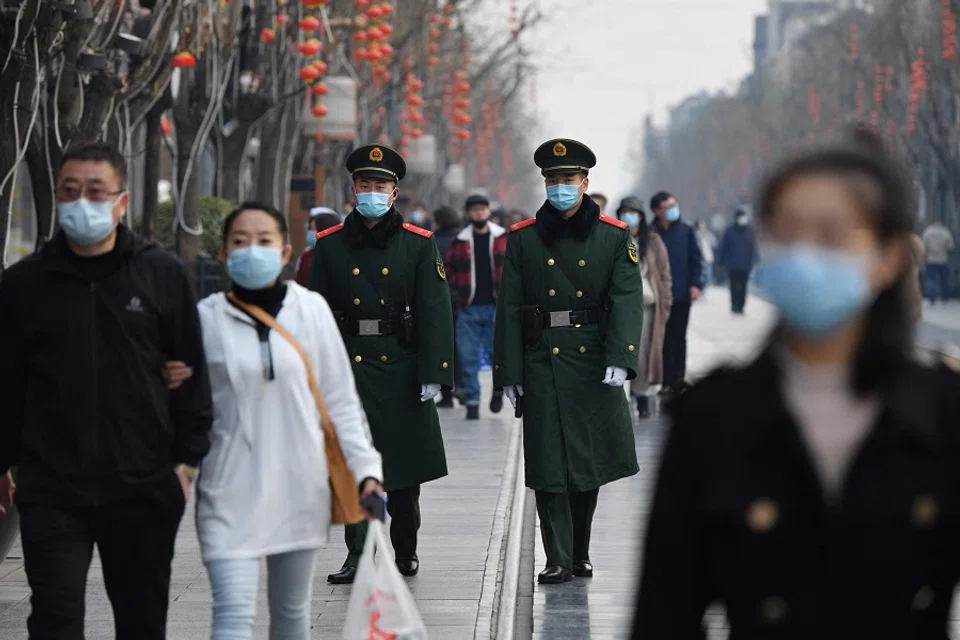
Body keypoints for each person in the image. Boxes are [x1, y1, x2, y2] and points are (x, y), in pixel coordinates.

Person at [631, 135, 960, 637]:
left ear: (891, 255)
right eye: (786, 231)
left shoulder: (943, 410)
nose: (805, 254)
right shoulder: (712, 418)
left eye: (831, 235)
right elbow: (664, 615)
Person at [0, 142, 212, 640]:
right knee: (54, 618)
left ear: (121, 201)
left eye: (96, 192)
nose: (82, 202)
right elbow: (6, 381)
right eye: (70, 191)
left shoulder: (160, 273)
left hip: (143, 485)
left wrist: (185, 464)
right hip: (51, 487)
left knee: (141, 623)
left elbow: (193, 372)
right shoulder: (24, 284)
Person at [192, 202, 384, 639]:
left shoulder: (310, 310)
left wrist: (367, 472)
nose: (252, 250)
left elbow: (340, 403)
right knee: (232, 617)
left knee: (292, 617)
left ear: (286, 252)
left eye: (264, 241)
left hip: (299, 489)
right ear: (223, 253)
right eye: (240, 242)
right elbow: (183, 407)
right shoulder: (204, 318)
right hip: (228, 492)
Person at [494, 138, 643, 584]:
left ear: (585, 182)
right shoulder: (522, 239)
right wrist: (509, 370)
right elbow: (510, 306)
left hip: (592, 361)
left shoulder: (614, 237)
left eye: (569, 180)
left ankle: (580, 550)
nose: (560, 187)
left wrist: (622, 357)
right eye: (553, 180)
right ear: (545, 182)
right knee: (547, 464)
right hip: (541, 360)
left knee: (586, 462)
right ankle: (555, 556)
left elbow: (626, 300)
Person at [310, 144, 454, 584]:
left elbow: (435, 311)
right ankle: (357, 552)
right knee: (353, 464)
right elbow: (315, 311)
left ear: (394, 193)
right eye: (365, 185)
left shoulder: (417, 245)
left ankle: (405, 549)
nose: (372, 192)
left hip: (402, 367)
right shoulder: (330, 246)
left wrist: (435, 373)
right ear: (353, 189)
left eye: (381, 186)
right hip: (349, 365)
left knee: (404, 472)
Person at [445, 194, 508, 419]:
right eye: (474, 210)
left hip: (496, 307)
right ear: (468, 213)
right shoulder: (460, 240)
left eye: (482, 209)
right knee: (467, 355)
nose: (479, 213)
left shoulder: (502, 238)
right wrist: (459, 289)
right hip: (468, 308)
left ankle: (498, 390)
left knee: (497, 354)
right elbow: (448, 269)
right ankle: (472, 401)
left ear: (489, 211)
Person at [617, 197, 672, 419]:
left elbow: (665, 274)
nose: (629, 215)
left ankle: (642, 397)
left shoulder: (653, 241)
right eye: (625, 211)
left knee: (643, 354)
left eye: (633, 212)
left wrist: (665, 301)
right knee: (622, 352)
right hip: (620, 307)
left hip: (647, 306)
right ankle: (623, 398)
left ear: (641, 215)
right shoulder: (614, 238)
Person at [651, 191, 704, 396]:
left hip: (682, 294)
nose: (673, 209)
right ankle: (664, 379)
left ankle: (678, 379)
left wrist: (696, 284)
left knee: (679, 337)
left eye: (674, 204)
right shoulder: (652, 233)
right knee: (661, 338)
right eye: (667, 206)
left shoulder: (686, 231)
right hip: (658, 296)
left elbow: (696, 260)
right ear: (657, 211)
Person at [432, 206, 466, 408]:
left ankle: (446, 393)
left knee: (443, 346)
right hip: (462, 300)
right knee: (460, 345)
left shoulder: (432, 241)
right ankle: (462, 386)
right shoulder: (463, 239)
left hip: (440, 301)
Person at [718, 207, 758, 314]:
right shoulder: (729, 231)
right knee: (733, 286)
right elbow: (724, 246)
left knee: (743, 286)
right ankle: (734, 305)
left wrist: (755, 259)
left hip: (745, 265)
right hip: (732, 265)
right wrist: (721, 260)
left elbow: (753, 246)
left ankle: (741, 305)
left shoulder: (750, 231)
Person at [294, 206, 340, 286]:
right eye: (310, 229)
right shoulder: (307, 255)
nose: (310, 233)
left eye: (313, 229)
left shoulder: (341, 255)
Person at [922, 219, 954, 303]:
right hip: (943, 260)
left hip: (930, 260)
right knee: (944, 280)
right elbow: (950, 246)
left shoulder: (928, 231)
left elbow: (923, 246)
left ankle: (932, 297)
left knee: (931, 279)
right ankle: (944, 297)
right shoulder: (946, 232)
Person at [694, 220, 717, 287]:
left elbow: (714, 242)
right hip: (700, 260)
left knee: (708, 277)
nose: (702, 226)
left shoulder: (707, 234)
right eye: (701, 224)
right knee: (701, 278)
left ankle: (702, 290)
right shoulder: (694, 235)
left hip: (708, 259)